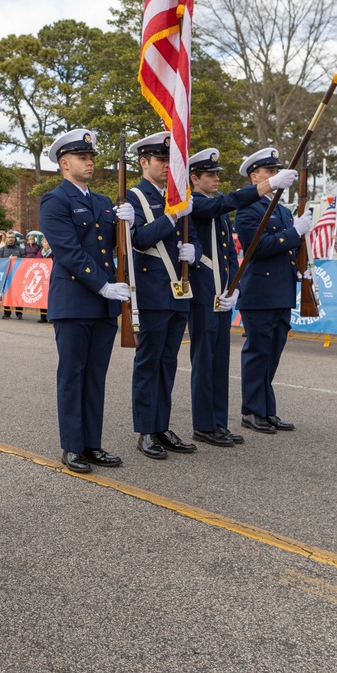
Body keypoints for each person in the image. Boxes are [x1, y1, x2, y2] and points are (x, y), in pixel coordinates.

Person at [187, 147, 295, 447]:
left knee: (220, 362)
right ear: (194, 178)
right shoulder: (196, 203)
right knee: (205, 360)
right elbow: (229, 203)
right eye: (210, 175)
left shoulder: (215, 208)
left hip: (221, 291)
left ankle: (218, 423)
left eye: (217, 174)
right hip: (204, 293)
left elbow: (231, 253)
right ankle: (204, 424)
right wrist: (265, 187)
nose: (216, 179)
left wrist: (233, 286)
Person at [39, 128, 131, 472]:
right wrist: (103, 285)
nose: (89, 162)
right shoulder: (55, 200)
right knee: (73, 374)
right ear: (65, 163)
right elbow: (69, 251)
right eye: (82, 157)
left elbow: (114, 244)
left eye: (91, 157)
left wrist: (128, 225)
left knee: (96, 376)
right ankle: (72, 446)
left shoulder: (104, 202)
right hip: (75, 300)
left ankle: (92, 444)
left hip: (103, 303)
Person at [126, 131, 201, 459]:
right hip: (153, 292)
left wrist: (193, 252)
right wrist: (172, 216)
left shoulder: (179, 195)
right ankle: (145, 429)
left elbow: (194, 235)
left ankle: (161, 425)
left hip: (179, 293)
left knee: (168, 362)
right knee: (149, 362)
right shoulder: (134, 198)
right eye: (161, 160)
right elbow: (139, 239)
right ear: (144, 162)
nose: (168, 167)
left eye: (172, 161)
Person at [234, 148, 307, 433]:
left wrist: (304, 265)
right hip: (260, 293)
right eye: (270, 172)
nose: (276, 176)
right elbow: (259, 247)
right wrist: (294, 233)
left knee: (272, 353)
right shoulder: (249, 208)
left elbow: (292, 247)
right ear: (256, 176)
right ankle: (252, 411)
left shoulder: (282, 209)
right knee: (257, 353)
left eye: (277, 171)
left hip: (282, 291)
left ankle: (266, 409)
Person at [0, 231, 25, 319]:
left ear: (15, 238)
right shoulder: (2, 250)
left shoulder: (20, 249)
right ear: (6, 239)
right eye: (9, 237)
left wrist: (18, 259)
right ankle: (7, 313)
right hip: (6, 276)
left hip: (18, 276)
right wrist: (7, 260)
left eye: (12, 237)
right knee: (6, 294)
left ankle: (19, 313)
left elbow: (25, 260)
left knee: (18, 294)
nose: (11, 239)